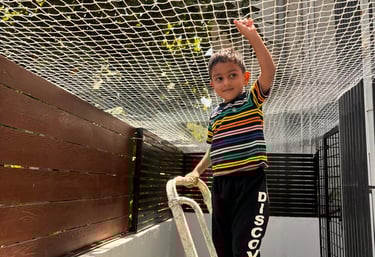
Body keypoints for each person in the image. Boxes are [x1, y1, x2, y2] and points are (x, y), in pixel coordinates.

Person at [184, 18, 275, 257]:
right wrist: (196, 171)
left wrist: (253, 37)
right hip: (221, 187)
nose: (226, 82)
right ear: (213, 84)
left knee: (244, 250)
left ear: (245, 78)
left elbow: (269, 71)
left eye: (232, 75)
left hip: (250, 184)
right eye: (220, 78)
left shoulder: (251, 101)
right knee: (222, 249)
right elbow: (214, 149)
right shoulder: (215, 114)